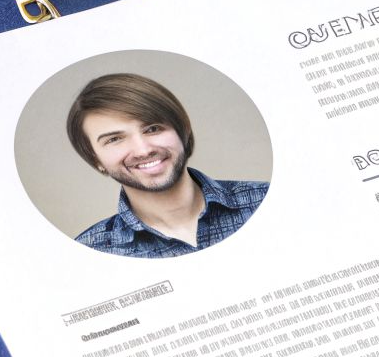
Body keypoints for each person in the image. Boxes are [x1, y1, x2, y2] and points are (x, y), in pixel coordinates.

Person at [65, 73, 267, 258]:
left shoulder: (266, 200)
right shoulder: (89, 253)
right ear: (96, 159)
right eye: (115, 139)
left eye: (153, 129)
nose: (143, 150)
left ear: (183, 130)